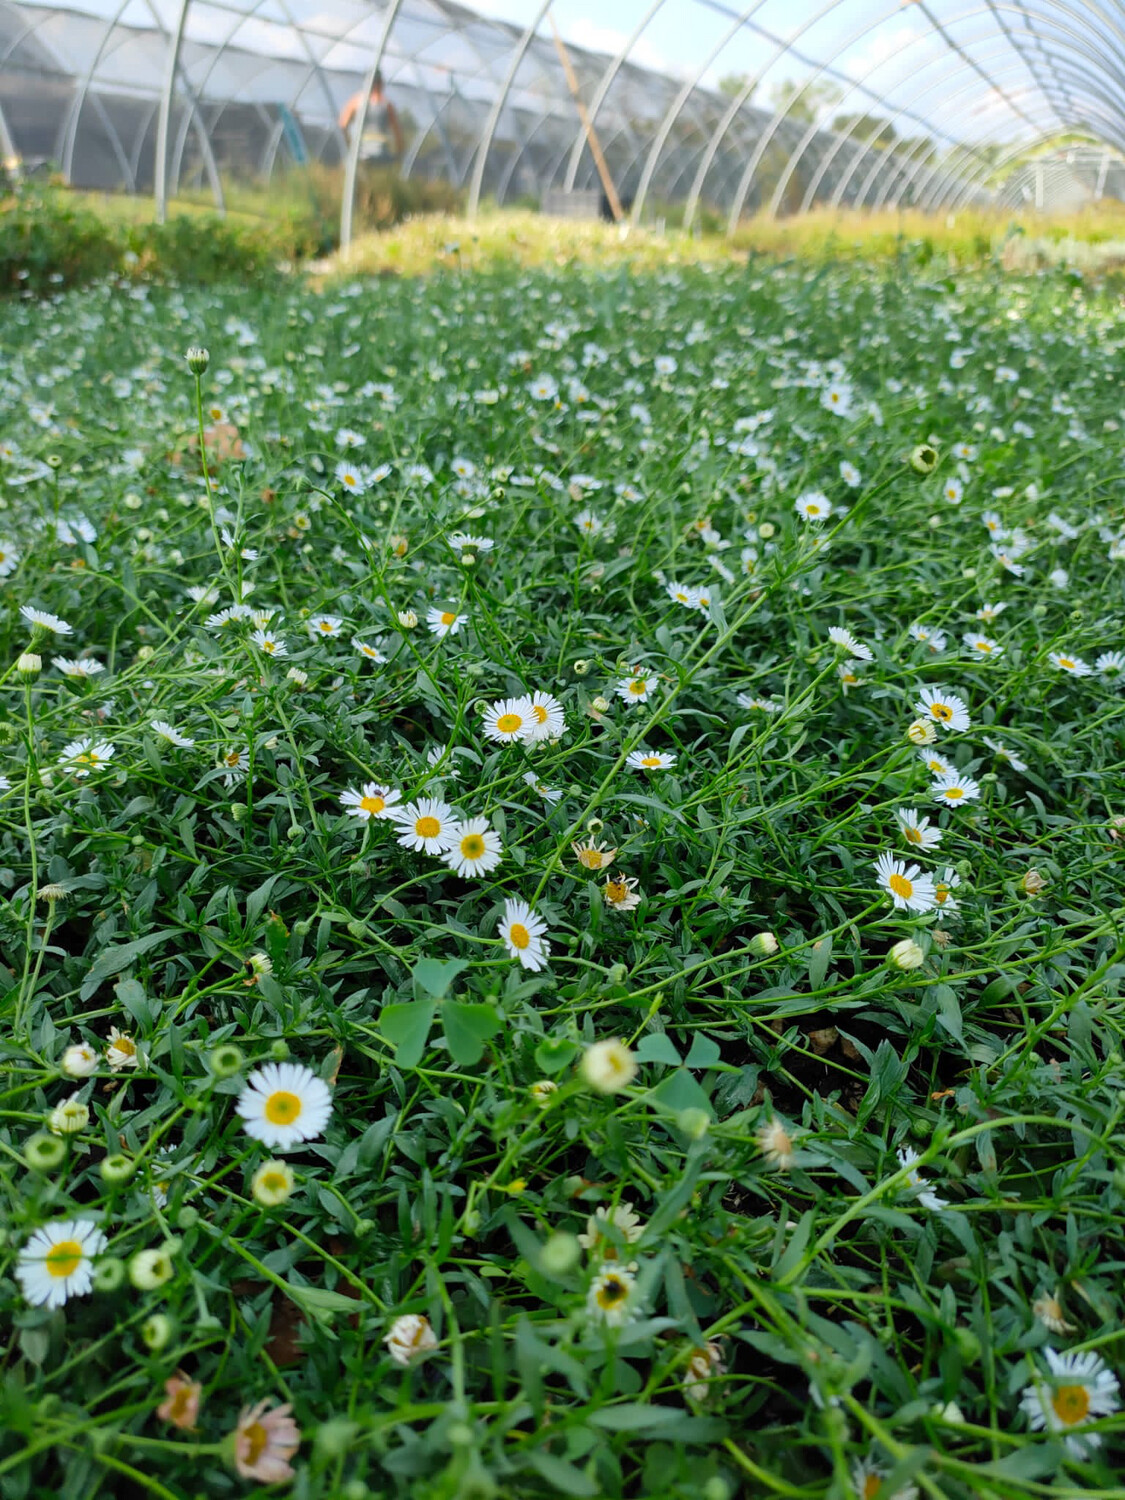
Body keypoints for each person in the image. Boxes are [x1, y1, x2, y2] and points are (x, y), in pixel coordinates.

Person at [338, 72, 404, 167]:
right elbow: (398, 134)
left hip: (360, 153)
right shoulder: (387, 105)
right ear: (381, 83)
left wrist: (350, 145)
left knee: (350, 168)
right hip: (382, 155)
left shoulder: (356, 101)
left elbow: (342, 125)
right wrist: (399, 154)